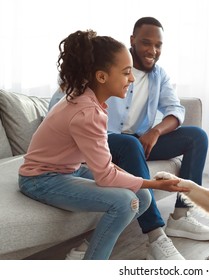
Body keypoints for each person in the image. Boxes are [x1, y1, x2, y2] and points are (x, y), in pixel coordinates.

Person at [50, 17, 209, 260]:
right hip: (104, 139)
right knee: (128, 144)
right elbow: (61, 105)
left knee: (197, 137)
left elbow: (175, 109)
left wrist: (156, 131)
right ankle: (155, 236)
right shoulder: (103, 66)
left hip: (139, 141)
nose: (153, 51)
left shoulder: (158, 75)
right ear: (132, 41)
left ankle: (181, 216)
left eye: (158, 45)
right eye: (146, 43)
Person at [18, 30, 188, 260]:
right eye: (126, 72)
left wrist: (142, 184)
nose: (131, 79)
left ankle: (88, 248)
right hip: (41, 179)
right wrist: (155, 183)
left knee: (143, 197)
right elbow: (105, 177)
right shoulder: (87, 112)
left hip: (69, 168)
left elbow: (103, 165)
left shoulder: (87, 98)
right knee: (127, 203)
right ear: (101, 77)